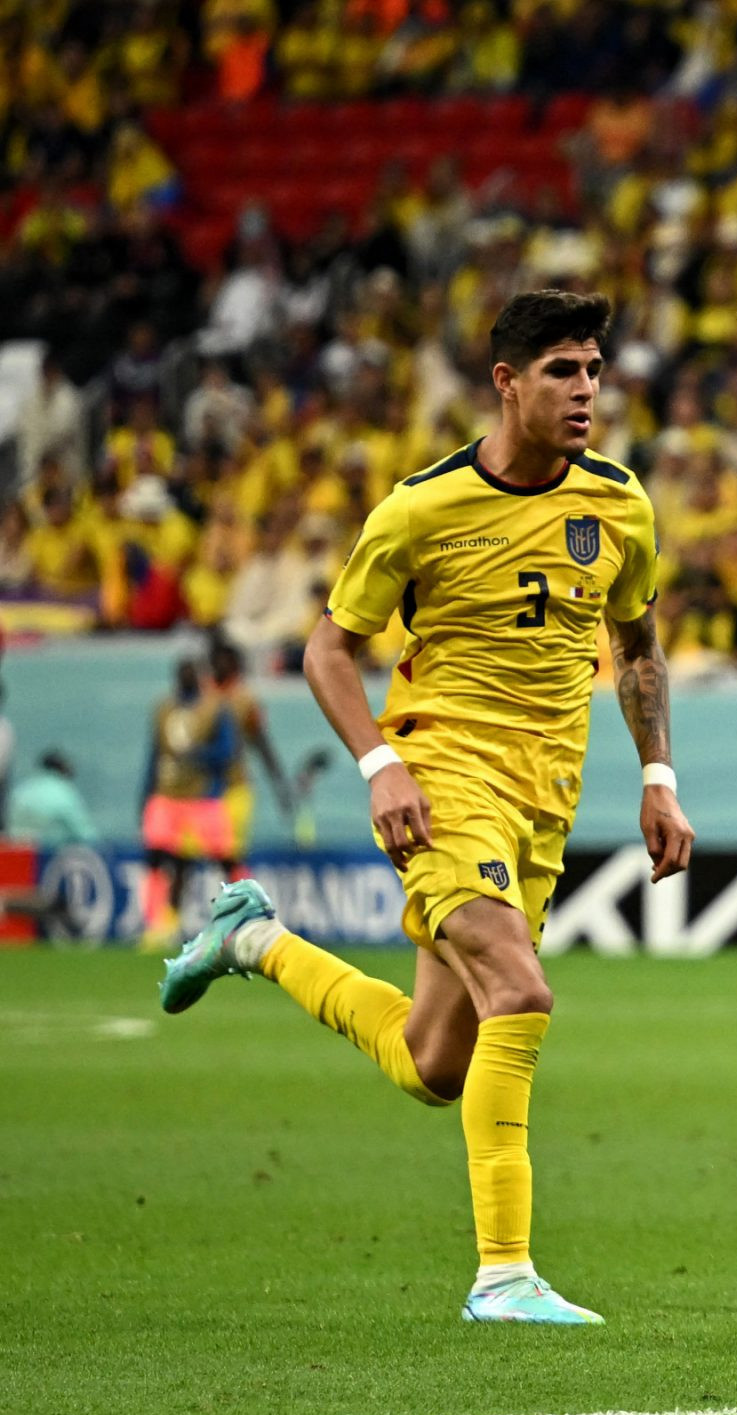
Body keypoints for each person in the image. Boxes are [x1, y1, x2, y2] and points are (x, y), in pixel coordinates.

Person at [155, 291, 696, 1326]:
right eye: (562, 371)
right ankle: (504, 1274)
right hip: (442, 774)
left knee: (436, 1061)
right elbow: (327, 649)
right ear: (507, 382)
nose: (586, 390)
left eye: (594, 369)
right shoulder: (421, 508)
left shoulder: (620, 502)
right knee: (520, 990)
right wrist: (379, 763)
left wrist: (658, 776)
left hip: (544, 795)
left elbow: (636, 646)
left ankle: (252, 938)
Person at [137, 656, 238, 948]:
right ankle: (157, 925)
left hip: (203, 797)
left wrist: (197, 755)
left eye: (191, 672)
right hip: (167, 796)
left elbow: (227, 752)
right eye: (182, 672)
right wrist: (146, 795)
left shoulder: (215, 709)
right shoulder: (164, 709)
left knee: (225, 859)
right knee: (158, 859)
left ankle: (244, 920)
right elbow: (155, 753)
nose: (186, 677)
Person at [205, 637, 293, 876]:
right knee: (185, 855)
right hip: (201, 790)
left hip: (235, 787)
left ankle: (242, 897)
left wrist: (279, 783)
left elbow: (262, 744)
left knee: (230, 856)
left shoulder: (244, 700)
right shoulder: (203, 697)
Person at [5, 750, 98, 846]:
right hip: (44, 850)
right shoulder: (63, 791)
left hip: (12, 847)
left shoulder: (23, 788)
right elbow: (83, 831)